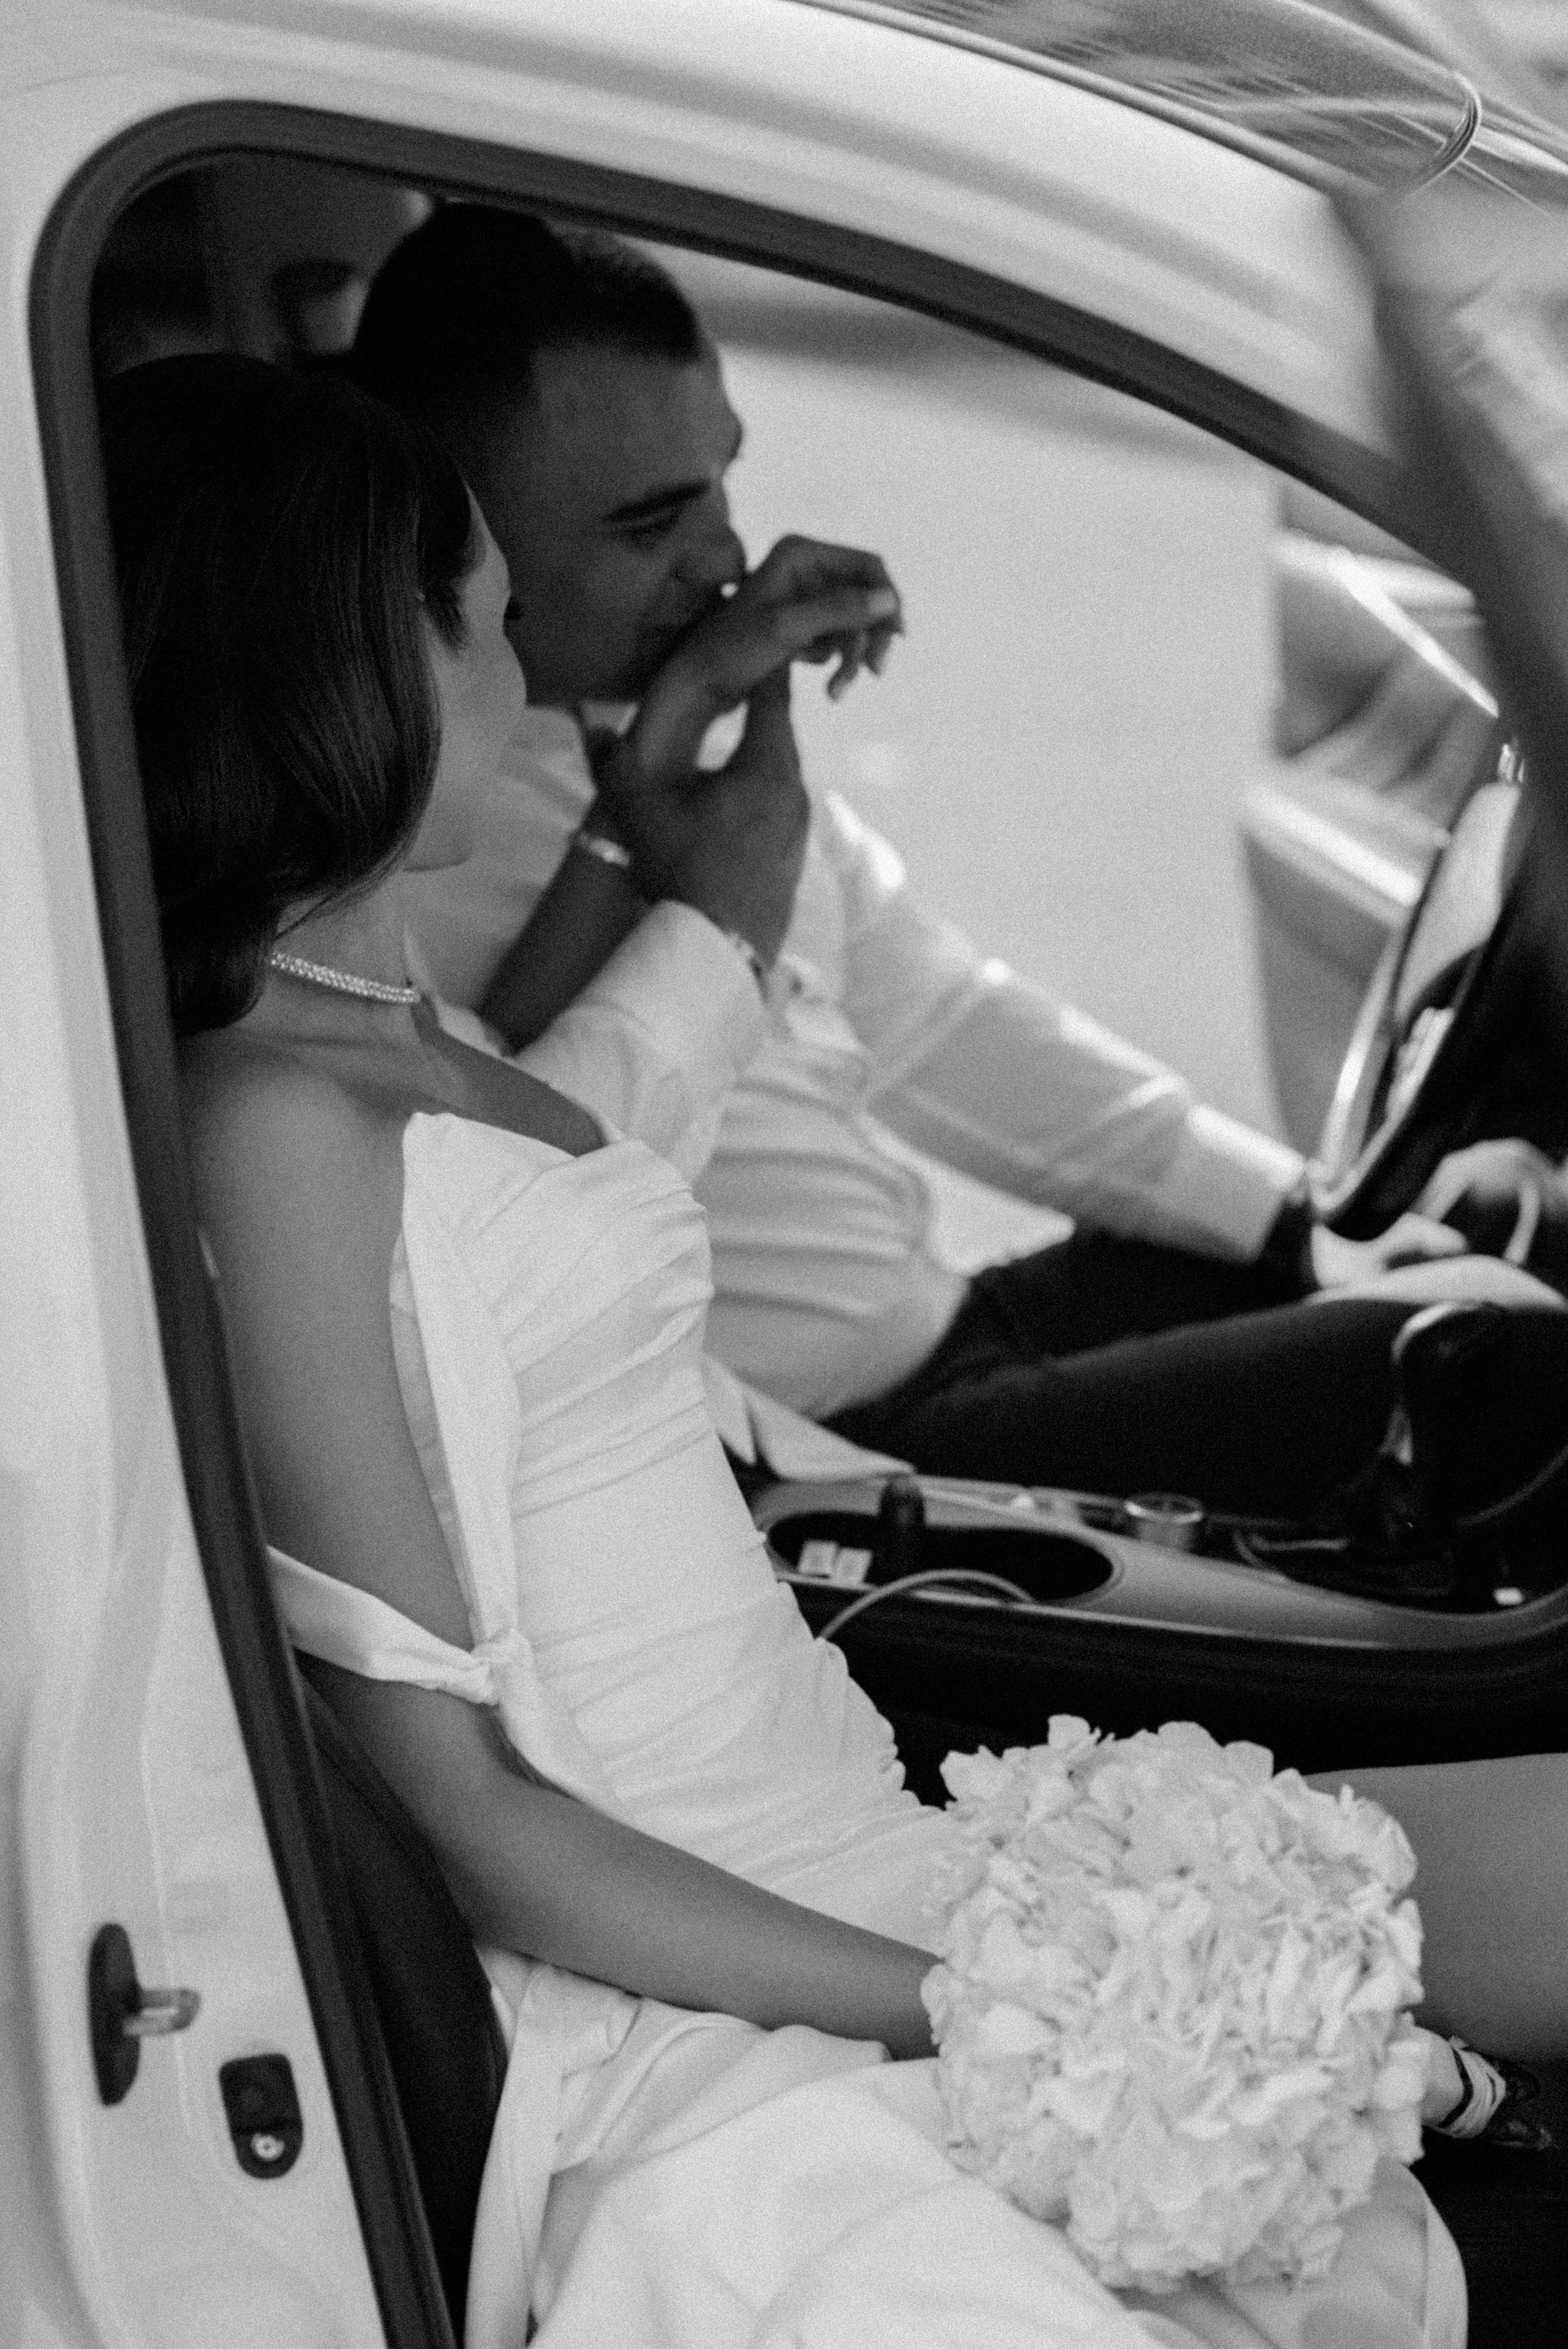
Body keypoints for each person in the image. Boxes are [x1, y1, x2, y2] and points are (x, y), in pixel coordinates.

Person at [112, 345, 1565, 2349]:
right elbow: (462, 1806)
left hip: (861, 1831)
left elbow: (537, 1169)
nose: (522, 667)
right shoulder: (273, 1119)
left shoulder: (381, 1018)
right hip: (718, 1952)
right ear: (341, 667)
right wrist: (980, 2002)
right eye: (482, 617)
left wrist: (655, 827)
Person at [350, 206, 1546, 1518]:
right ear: (457, 544)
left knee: (1485, 1219)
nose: (729, 559)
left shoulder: (664, 726)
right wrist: (672, 864)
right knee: (1508, 1353)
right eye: (649, 527)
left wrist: (1300, 1219)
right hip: (833, 1456)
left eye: (722, 482)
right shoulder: (392, 852)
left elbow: (939, 1025)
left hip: (956, 1327)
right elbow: (512, 1211)